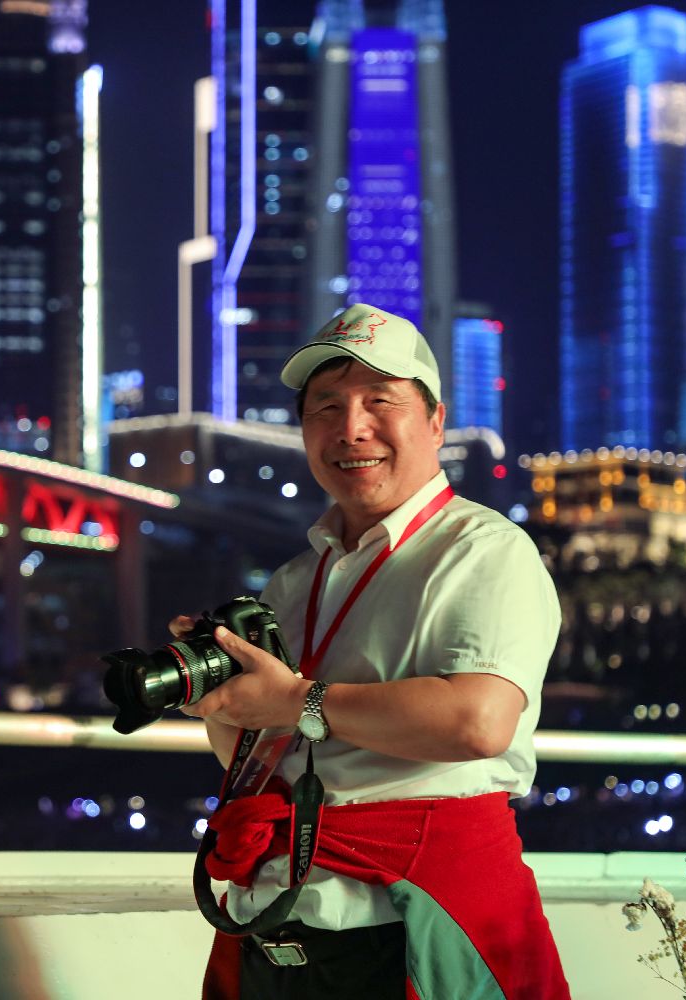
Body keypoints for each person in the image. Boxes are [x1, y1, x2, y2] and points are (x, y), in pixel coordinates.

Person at [177, 303, 570, 1000]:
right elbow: (272, 752)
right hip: (277, 921)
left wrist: (296, 699)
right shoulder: (295, 580)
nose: (351, 428)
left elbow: (478, 722)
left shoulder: (484, 550)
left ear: (436, 422)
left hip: (415, 915)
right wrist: (220, 699)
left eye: (379, 401)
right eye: (325, 407)